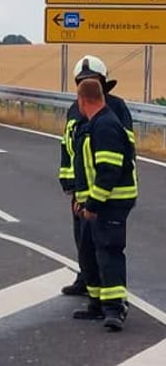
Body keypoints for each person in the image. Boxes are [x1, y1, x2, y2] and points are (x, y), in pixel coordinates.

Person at [58, 55, 134, 296]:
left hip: (107, 190)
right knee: (83, 241)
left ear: (103, 81)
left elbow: (123, 150)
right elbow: (68, 146)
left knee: (105, 244)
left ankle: (109, 296)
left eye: (91, 80)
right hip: (81, 189)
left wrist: (102, 188)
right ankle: (87, 280)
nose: (86, 83)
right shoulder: (74, 109)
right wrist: (69, 182)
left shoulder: (116, 108)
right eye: (82, 80)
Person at [70, 78, 137, 331]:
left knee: (109, 252)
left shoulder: (106, 126)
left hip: (113, 201)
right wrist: (81, 198)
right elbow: (88, 169)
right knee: (89, 251)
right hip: (97, 201)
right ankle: (97, 304)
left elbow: (108, 171)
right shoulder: (94, 124)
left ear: (82, 100)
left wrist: (94, 204)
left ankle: (114, 308)